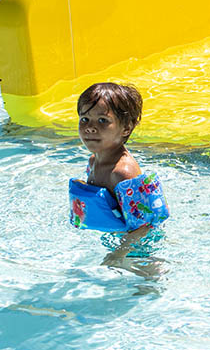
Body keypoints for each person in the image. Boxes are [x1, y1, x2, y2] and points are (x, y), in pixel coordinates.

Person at [69, 83, 169, 249]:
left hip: (139, 248)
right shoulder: (93, 161)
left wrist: (118, 254)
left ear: (126, 128)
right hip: (114, 238)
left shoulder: (122, 173)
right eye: (85, 119)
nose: (90, 128)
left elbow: (144, 226)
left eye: (103, 120)